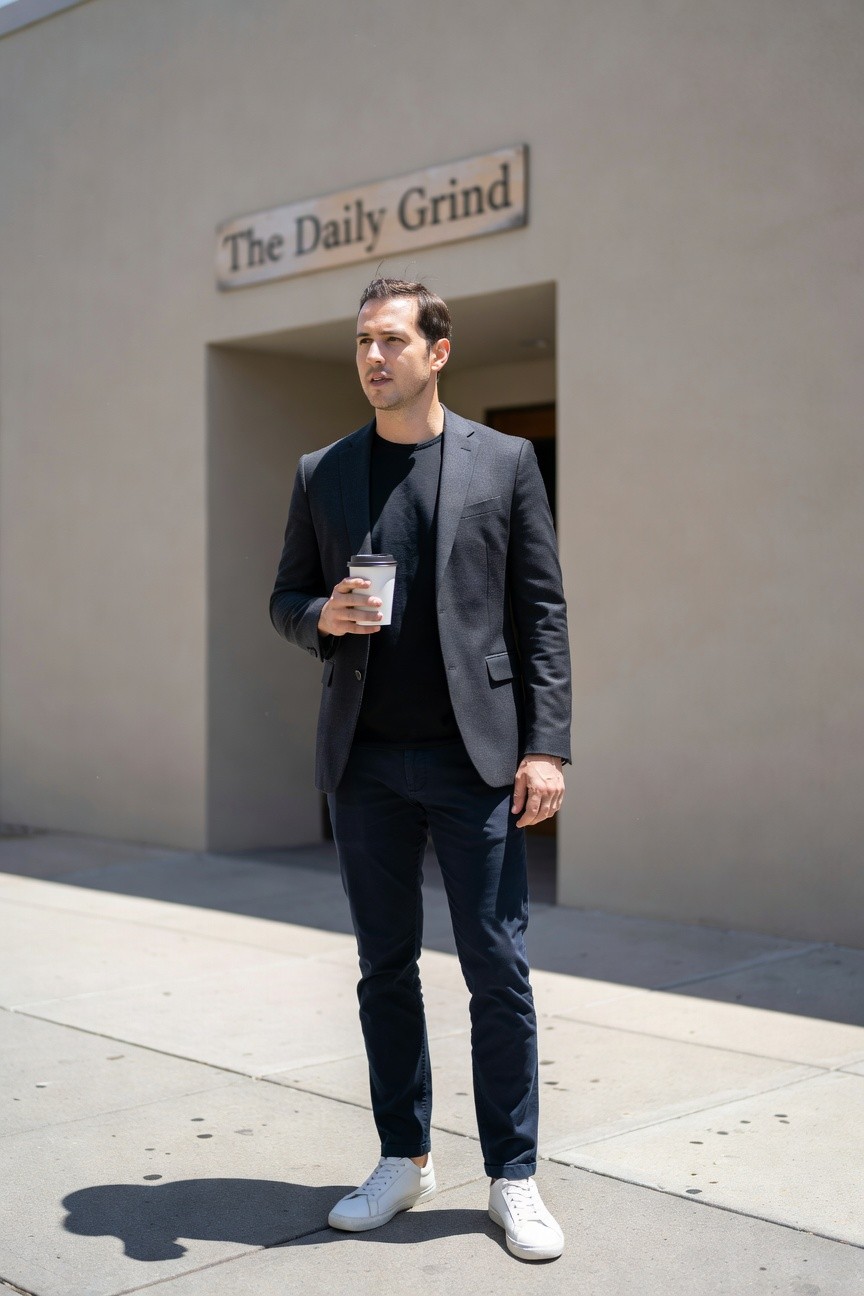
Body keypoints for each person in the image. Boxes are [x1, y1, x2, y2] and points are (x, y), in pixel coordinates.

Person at [269, 278, 571, 1261]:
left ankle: (513, 1177)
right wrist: (321, 617)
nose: (372, 358)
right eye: (362, 341)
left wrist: (545, 744)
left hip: (476, 760)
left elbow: (541, 616)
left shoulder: (506, 461)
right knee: (384, 971)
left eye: (392, 340)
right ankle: (405, 1156)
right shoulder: (324, 471)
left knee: (498, 971)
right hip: (365, 763)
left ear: (438, 351)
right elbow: (284, 595)